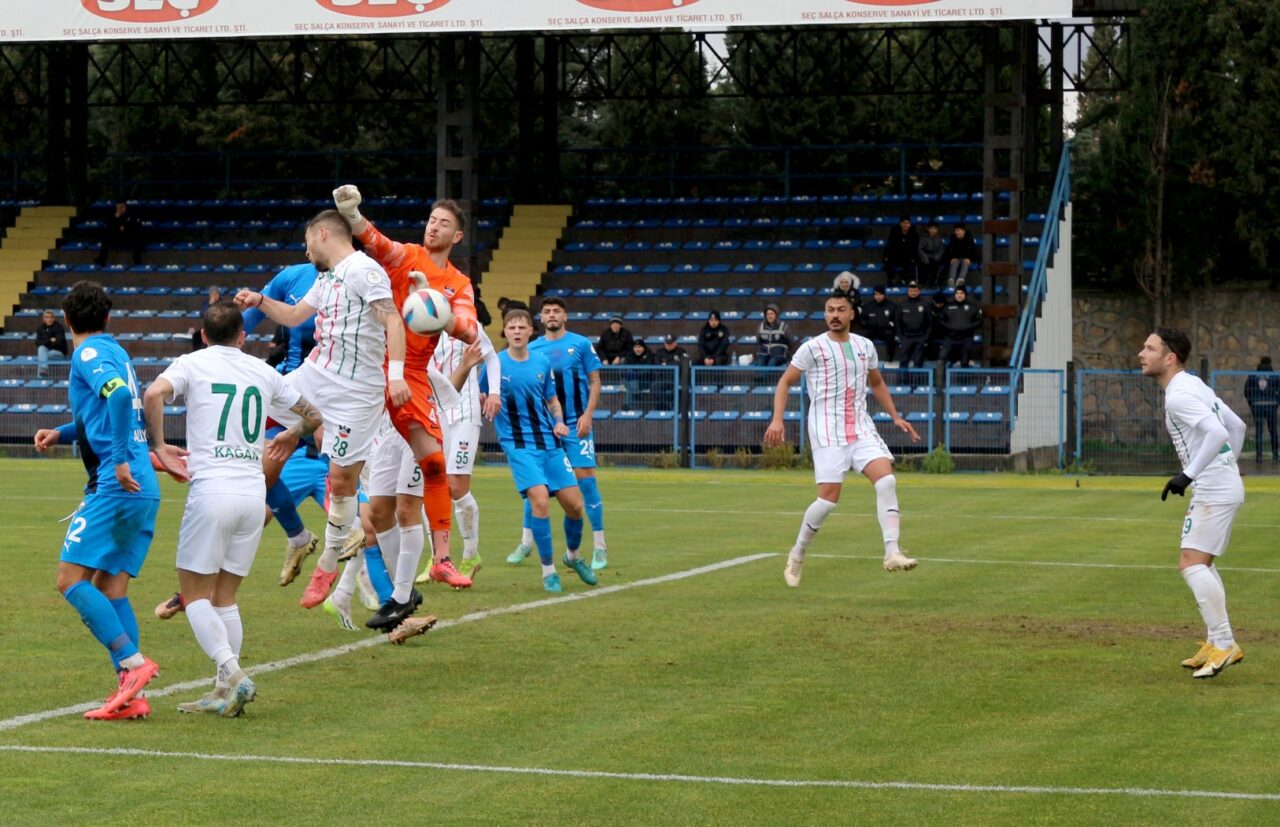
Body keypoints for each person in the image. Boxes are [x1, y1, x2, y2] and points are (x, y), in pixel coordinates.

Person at [142, 302, 323, 715]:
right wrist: (290, 435)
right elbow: (313, 415)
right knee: (225, 598)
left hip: (213, 490)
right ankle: (223, 692)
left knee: (195, 596)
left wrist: (160, 446)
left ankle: (234, 674)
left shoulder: (193, 363)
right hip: (252, 495)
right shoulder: (262, 371)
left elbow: (153, 394)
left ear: (204, 335)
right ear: (243, 337)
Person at [234, 210, 410, 617]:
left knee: (342, 480)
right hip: (315, 375)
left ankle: (327, 564)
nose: (306, 250)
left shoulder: (365, 270)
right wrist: (261, 301)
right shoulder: (326, 277)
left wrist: (397, 375)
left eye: (307, 242)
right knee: (255, 402)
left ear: (323, 234)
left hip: (357, 393)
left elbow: (392, 320)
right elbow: (295, 316)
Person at [330, 185, 482, 630]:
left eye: (444, 223)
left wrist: (438, 311)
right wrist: (353, 214)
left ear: (457, 236)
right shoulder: (408, 256)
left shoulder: (458, 284)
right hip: (373, 379)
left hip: (411, 381)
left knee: (424, 478)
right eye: (432, 220)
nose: (434, 227)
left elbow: (469, 329)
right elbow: (377, 242)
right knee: (378, 512)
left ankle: (437, 563)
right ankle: (405, 592)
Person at [32, 281, 161, 721]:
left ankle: (133, 664)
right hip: (140, 485)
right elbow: (111, 410)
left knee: (70, 580)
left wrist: (120, 460)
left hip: (116, 483)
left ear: (67, 320)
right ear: (107, 318)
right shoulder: (116, 351)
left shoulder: (86, 353)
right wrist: (62, 432)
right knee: (111, 587)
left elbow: (120, 397)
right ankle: (132, 696)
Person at [763, 289, 921, 588]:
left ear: (852, 314)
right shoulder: (812, 348)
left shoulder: (865, 346)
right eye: (830, 310)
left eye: (840, 309)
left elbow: (877, 383)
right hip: (827, 431)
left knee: (886, 481)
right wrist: (777, 419)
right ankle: (798, 552)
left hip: (860, 428)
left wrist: (895, 416)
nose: (834, 315)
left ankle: (892, 552)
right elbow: (785, 381)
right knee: (828, 499)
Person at [1139, 327, 1247, 679]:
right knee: (1201, 563)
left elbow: (1219, 432)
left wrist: (1188, 474)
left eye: (1149, 348)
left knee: (1190, 564)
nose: (1141, 353)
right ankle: (1215, 640)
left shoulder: (1179, 396)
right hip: (1218, 485)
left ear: (1169, 357)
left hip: (1214, 489)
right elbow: (1237, 426)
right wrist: (1227, 467)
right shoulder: (1193, 384)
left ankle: (1225, 643)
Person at [484, 309, 596, 593]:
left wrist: (559, 422)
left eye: (522, 327)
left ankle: (572, 556)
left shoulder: (542, 362)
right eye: (512, 327)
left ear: (531, 331)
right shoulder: (495, 364)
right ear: (505, 332)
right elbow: (480, 395)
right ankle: (549, 572)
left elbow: (552, 399)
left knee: (575, 506)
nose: (517, 331)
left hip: (550, 443)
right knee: (541, 502)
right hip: (519, 446)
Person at [510, 296, 609, 570]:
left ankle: (600, 546)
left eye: (556, 311)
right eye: (547, 311)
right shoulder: (533, 348)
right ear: (541, 318)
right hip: (545, 428)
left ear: (565, 316)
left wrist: (588, 414)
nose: (552, 314)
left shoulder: (580, 344)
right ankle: (526, 542)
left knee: (586, 482)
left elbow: (595, 380)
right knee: (536, 483)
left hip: (576, 424)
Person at [240, 262, 321, 586]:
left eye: (312, 239)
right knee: (264, 472)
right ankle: (299, 537)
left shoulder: (359, 275)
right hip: (293, 392)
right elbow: (248, 319)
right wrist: (223, 346)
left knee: (361, 499)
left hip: (337, 393)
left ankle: (391, 590)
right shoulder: (292, 277)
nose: (308, 246)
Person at [414, 326, 502, 582]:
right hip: (432, 412)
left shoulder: (467, 324)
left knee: (455, 485)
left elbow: (491, 357)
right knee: (428, 485)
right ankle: (437, 557)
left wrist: (494, 393)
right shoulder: (416, 323)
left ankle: (471, 555)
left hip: (464, 413)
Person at [1244, 356, 1278, 462]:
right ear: (1270, 363)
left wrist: (1252, 403)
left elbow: (1247, 391)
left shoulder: (1253, 376)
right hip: (1271, 406)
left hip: (1257, 405)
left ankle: (1259, 456)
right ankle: (1275, 456)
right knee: (1273, 431)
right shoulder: (1274, 376)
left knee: (1259, 431)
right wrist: (1277, 402)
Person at [940, 284, 982, 367]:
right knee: (942, 358)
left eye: (961, 293)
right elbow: (941, 320)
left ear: (965, 295)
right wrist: (949, 327)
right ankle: (941, 376)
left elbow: (979, 320)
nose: (959, 295)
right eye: (957, 293)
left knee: (964, 361)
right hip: (951, 338)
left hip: (966, 338)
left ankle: (963, 375)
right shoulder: (948, 306)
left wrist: (969, 326)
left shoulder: (972, 306)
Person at [94, 201, 143, 266]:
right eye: (117, 208)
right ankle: (102, 259)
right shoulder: (113, 213)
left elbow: (137, 225)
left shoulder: (131, 213)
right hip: (117, 236)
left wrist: (126, 227)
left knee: (137, 236)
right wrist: (115, 218)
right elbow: (109, 225)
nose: (118, 209)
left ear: (124, 207)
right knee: (106, 236)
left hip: (129, 236)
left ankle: (137, 260)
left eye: (120, 207)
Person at [896, 281, 932, 371]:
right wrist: (901, 336)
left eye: (915, 291)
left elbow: (930, 322)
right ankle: (902, 379)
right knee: (903, 360)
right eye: (911, 291)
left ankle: (917, 380)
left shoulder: (925, 304)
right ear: (908, 291)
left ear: (918, 291)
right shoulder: (902, 304)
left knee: (918, 361)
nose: (913, 293)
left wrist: (925, 337)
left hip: (920, 337)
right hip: (906, 337)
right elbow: (897, 322)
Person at [860, 285, 900, 364]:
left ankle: (889, 357)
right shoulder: (868, 306)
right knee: (863, 335)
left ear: (884, 295)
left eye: (880, 294)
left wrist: (888, 324)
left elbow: (896, 320)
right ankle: (864, 357)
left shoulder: (891, 305)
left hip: (885, 330)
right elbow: (862, 320)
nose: (878, 296)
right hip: (872, 329)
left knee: (890, 335)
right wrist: (869, 323)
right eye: (876, 294)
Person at [653, 333, 689, 410]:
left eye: (671, 343)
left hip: (677, 378)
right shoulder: (659, 352)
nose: (668, 345)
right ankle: (666, 404)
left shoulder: (681, 351)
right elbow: (657, 366)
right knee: (654, 386)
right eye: (667, 343)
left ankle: (676, 409)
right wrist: (674, 363)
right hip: (663, 379)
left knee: (680, 389)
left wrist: (665, 365)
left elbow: (682, 364)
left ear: (675, 343)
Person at [882, 215, 919, 285]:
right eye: (903, 223)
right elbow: (890, 245)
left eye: (907, 223)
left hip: (907, 256)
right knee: (888, 260)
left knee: (910, 262)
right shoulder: (894, 232)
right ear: (900, 224)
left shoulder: (914, 235)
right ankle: (891, 279)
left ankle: (903, 279)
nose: (905, 225)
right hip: (896, 255)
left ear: (910, 224)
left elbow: (915, 248)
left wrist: (914, 257)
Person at [621, 337, 655, 408]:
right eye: (635, 347)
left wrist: (635, 374)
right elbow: (624, 371)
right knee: (631, 379)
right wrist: (634, 373)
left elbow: (648, 371)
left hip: (644, 382)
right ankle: (636, 393)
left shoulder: (649, 355)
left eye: (639, 347)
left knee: (631, 385)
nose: (637, 349)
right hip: (629, 381)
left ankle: (627, 406)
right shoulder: (629, 355)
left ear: (644, 348)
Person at [34, 308, 68, 378]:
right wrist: (50, 340)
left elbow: (60, 342)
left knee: (41, 357)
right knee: (41, 348)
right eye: (47, 317)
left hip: (58, 352)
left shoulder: (59, 327)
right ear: (44, 319)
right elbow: (37, 342)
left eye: (51, 317)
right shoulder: (40, 328)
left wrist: (45, 341)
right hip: (46, 351)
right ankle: (44, 370)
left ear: (54, 318)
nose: (49, 319)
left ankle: (40, 378)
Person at [917, 221, 946, 287]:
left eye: (935, 228)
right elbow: (920, 250)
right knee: (924, 265)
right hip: (926, 257)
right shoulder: (923, 238)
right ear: (928, 229)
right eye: (932, 228)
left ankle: (933, 283)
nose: (934, 230)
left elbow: (941, 249)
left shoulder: (939, 238)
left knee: (937, 265)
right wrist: (925, 259)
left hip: (935, 258)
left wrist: (937, 257)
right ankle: (921, 283)